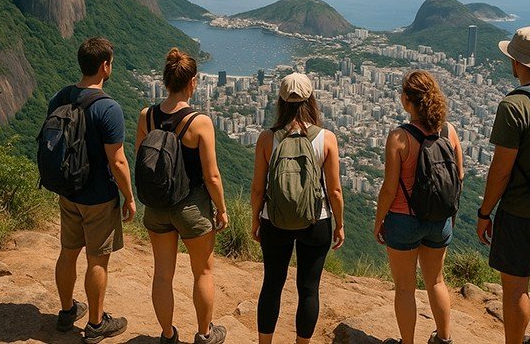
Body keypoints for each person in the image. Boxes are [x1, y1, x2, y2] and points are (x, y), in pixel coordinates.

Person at [476, 27, 530, 344]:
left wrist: (485, 212)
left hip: (519, 211)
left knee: (515, 287)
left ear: (516, 62)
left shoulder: (513, 106)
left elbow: (500, 171)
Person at [136, 48, 229, 344]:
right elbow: (212, 176)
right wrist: (222, 210)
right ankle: (204, 334)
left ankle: (167, 335)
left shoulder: (146, 116)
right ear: (193, 82)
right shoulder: (199, 122)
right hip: (192, 207)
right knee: (202, 271)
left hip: (157, 206)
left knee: (162, 273)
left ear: (165, 81)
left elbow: (141, 160)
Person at [49, 37, 135, 343]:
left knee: (68, 253)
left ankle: (66, 311)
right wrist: (129, 196)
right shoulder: (108, 108)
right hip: (99, 197)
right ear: (105, 66)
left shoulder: (60, 97)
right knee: (98, 260)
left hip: (67, 191)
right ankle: (97, 325)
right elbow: (118, 161)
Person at [250, 72, 345, 344]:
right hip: (317, 220)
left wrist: (256, 220)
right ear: (311, 99)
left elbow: (258, 188)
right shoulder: (326, 138)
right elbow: (335, 190)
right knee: (308, 289)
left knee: (272, 284)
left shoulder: (267, 138)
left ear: (280, 101)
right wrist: (339, 224)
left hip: (274, 220)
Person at [374, 70, 463, 344]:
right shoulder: (448, 131)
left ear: (407, 101)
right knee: (436, 281)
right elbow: (458, 176)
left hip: (403, 220)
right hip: (439, 219)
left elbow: (390, 188)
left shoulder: (399, 137)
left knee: (404, 288)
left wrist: (379, 222)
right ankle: (444, 339)